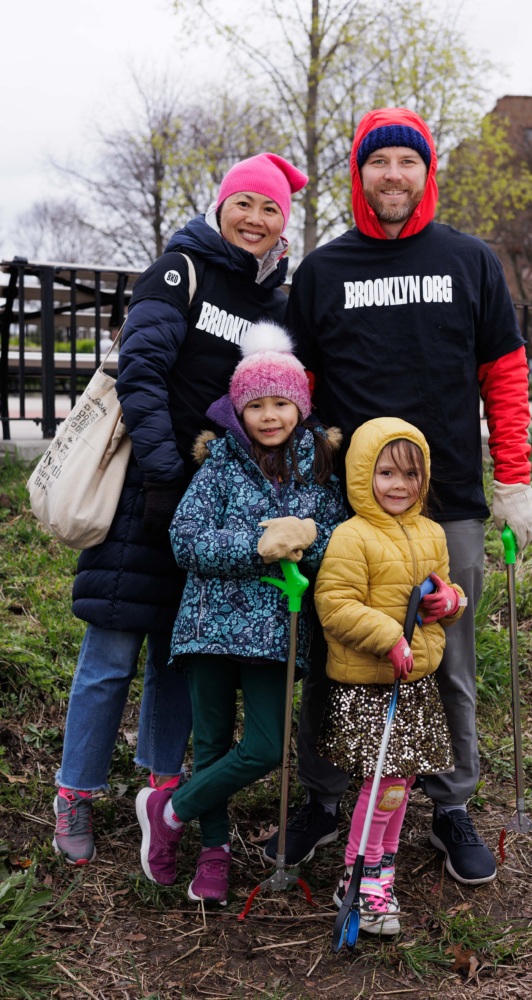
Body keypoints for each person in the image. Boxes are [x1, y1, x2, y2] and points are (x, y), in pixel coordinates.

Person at [263, 108, 532, 886]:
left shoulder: (469, 261)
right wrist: (286, 487)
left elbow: (504, 376)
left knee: (446, 657)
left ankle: (448, 805)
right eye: (377, 161)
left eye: (405, 162)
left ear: (426, 173)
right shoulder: (321, 272)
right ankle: (323, 796)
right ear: (360, 172)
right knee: (331, 651)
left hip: (445, 500)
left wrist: (511, 478)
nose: (391, 175)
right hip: (344, 508)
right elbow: (296, 392)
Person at [52, 154, 309, 866]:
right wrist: (164, 471)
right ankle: (75, 791)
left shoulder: (274, 300)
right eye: (245, 204)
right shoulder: (178, 270)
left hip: (215, 501)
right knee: (109, 651)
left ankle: (162, 789)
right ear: (221, 206)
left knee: (177, 654)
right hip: (148, 489)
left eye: (271, 210)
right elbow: (142, 370)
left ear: (283, 224)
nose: (255, 220)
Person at [134, 323, 347, 905]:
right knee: (211, 743)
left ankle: (169, 808)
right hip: (208, 625)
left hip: (278, 630)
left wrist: (308, 537)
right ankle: (214, 851)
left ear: (300, 405)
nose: (270, 415)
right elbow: (186, 539)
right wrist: (257, 546)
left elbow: (334, 540)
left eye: (281, 403)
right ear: (238, 408)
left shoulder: (321, 467)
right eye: (256, 405)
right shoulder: (220, 464)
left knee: (263, 746)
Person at [315, 417, 466, 935]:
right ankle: (358, 875)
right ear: (362, 474)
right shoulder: (352, 536)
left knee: (398, 783)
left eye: (409, 474)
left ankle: (382, 866)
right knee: (382, 783)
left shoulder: (431, 532)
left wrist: (451, 601)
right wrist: (388, 637)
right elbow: (334, 604)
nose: (398, 485)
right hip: (370, 684)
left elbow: (443, 594)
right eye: (385, 473)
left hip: (415, 683)